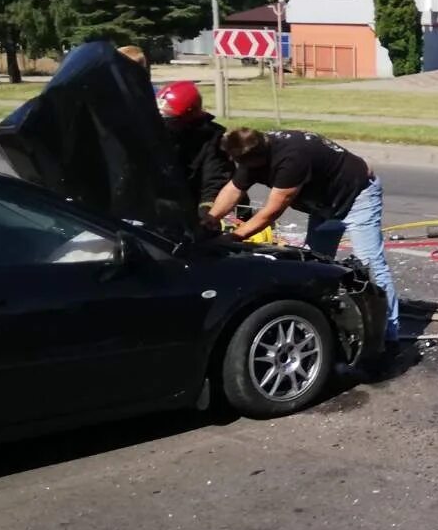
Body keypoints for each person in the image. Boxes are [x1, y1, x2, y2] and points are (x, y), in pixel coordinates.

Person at [207, 128, 400, 342]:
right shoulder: (253, 152)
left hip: (357, 196)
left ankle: (390, 335)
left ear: (254, 157)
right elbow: (233, 189)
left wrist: (233, 237)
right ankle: (326, 326)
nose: (235, 164)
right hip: (324, 204)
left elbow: (270, 212)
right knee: (316, 265)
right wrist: (210, 219)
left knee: (370, 266)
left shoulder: (291, 159)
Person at [156, 81, 233, 213]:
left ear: (188, 116)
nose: (163, 123)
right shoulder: (152, 132)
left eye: (169, 118)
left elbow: (215, 180)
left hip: (190, 206)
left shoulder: (211, 139)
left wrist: (206, 212)